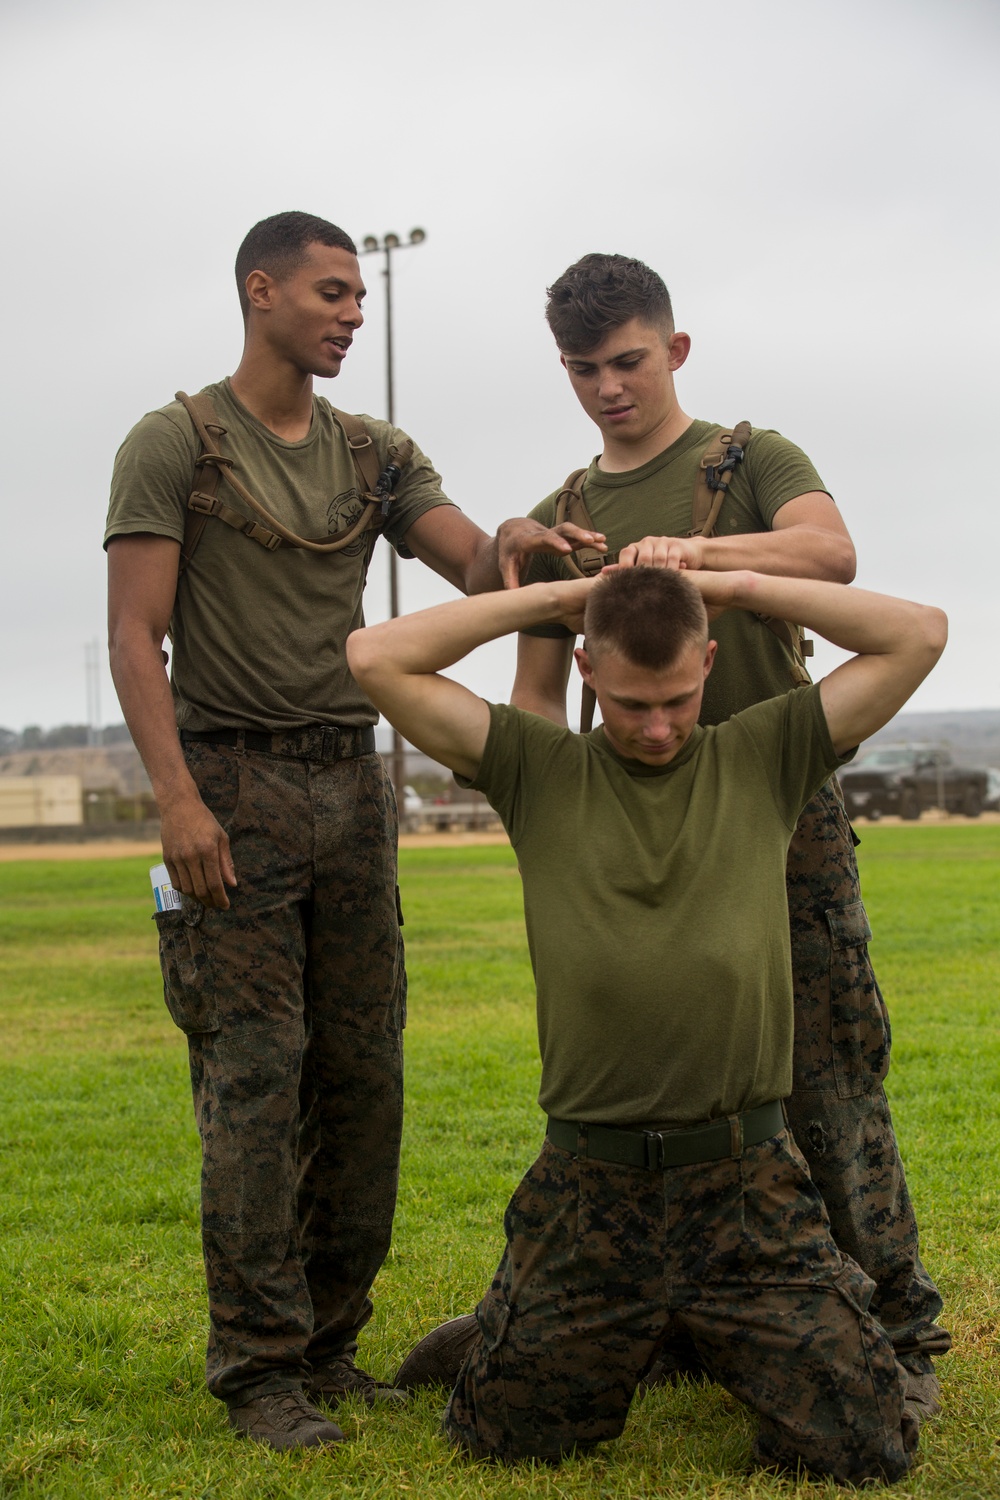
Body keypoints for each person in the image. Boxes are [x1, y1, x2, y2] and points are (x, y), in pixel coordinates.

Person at [104, 211, 596, 1451]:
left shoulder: (373, 451)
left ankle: (331, 1346)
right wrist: (176, 801)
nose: (349, 314)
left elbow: (476, 566)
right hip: (232, 786)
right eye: (330, 294)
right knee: (255, 1086)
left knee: (364, 1078)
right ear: (259, 292)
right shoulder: (176, 442)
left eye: (360, 300)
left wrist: (520, 545)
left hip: (351, 787)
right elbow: (133, 635)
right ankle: (258, 1370)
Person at [346, 562, 946, 1482]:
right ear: (585, 667)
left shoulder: (765, 752)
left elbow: (919, 633)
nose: (658, 727)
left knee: (864, 1448)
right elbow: (375, 655)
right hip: (591, 1188)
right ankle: (528, 1327)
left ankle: (696, 1327)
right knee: (503, 1441)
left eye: (676, 698)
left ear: (708, 661)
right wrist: (557, 598)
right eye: (631, 703)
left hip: (748, 1187)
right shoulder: (534, 768)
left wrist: (739, 582)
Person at [508, 254, 950, 1409]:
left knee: (831, 1070)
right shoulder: (573, 507)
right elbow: (542, 678)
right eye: (583, 370)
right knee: (665, 1087)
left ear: (675, 352)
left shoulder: (749, 460)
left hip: (776, 800)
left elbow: (830, 555)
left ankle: (896, 1322)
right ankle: (691, 1312)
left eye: (628, 362)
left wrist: (699, 557)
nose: (609, 389)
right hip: (633, 817)